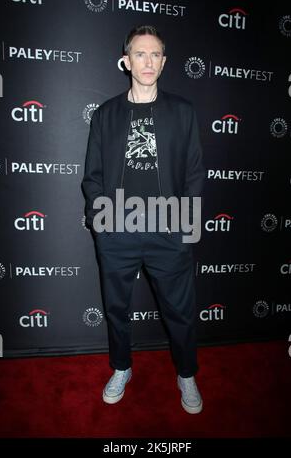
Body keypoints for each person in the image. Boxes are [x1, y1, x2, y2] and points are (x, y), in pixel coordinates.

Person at [81, 25, 205, 414]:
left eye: (155, 55)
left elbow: (195, 173)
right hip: (116, 226)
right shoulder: (105, 115)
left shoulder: (183, 112)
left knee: (180, 312)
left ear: (164, 63)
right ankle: (122, 367)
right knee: (116, 307)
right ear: (126, 61)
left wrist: (186, 227)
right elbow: (93, 176)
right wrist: (102, 224)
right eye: (140, 53)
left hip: (169, 227)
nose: (147, 61)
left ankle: (186, 373)